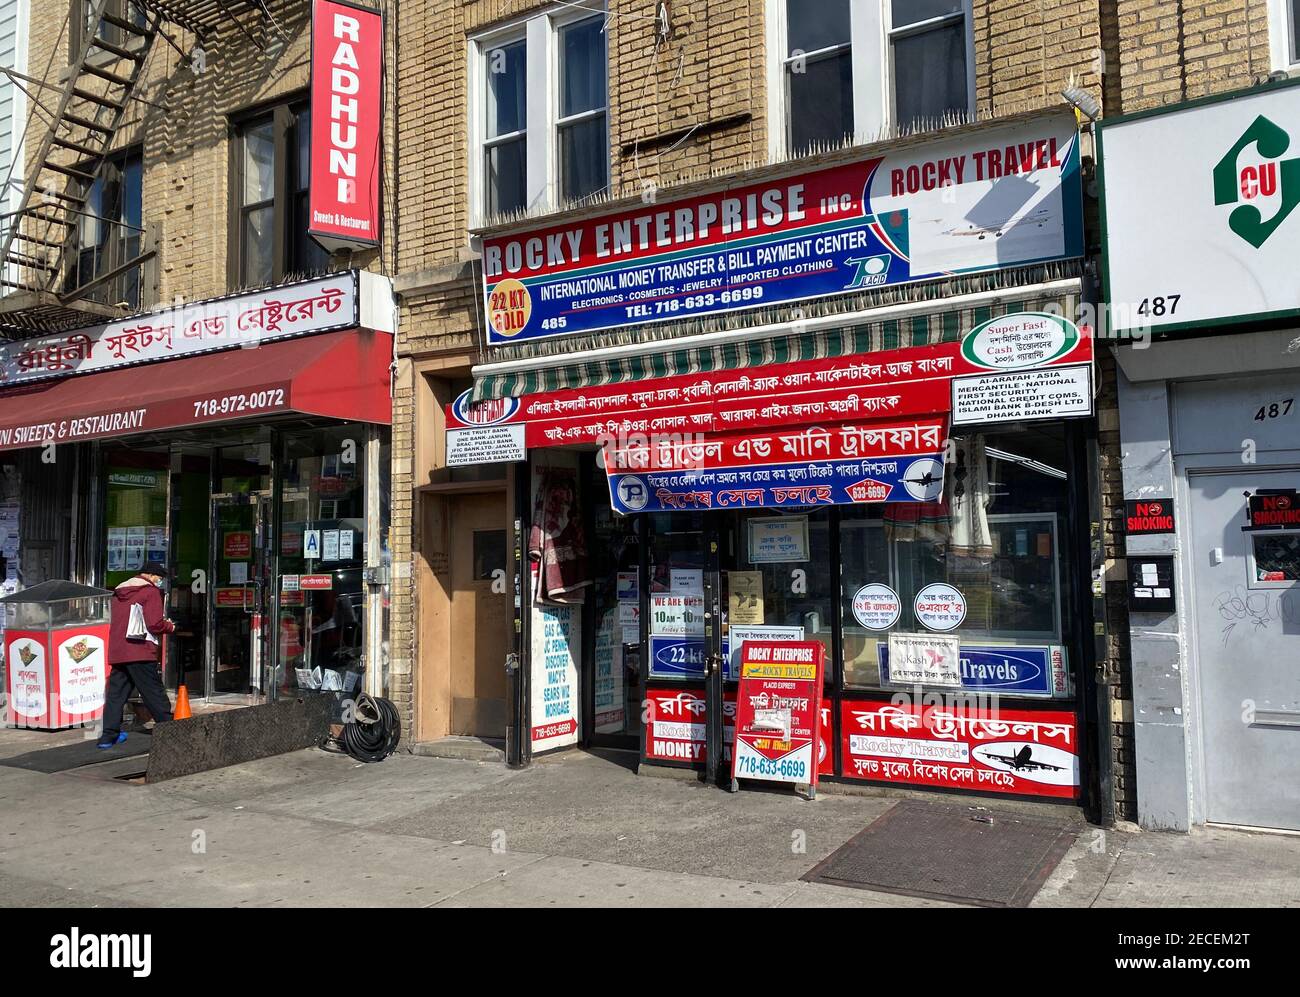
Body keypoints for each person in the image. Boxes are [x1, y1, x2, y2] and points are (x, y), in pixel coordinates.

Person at [99, 561, 177, 749]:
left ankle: (108, 737)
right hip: (140, 651)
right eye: (159, 578)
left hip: (119, 652)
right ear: (151, 575)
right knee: (154, 692)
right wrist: (170, 626)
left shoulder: (118, 593)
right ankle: (170, 732)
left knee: (116, 696)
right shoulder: (149, 592)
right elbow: (154, 624)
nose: (160, 581)